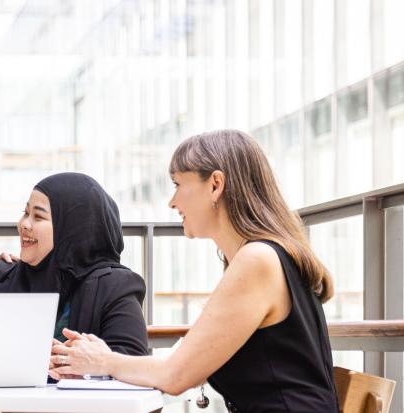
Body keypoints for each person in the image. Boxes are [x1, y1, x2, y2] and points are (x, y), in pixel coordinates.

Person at [50, 130, 338, 412]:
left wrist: (104, 361)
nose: (172, 202)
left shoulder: (257, 260)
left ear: (215, 185)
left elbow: (176, 377)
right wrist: (105, 359)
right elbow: (191, 366)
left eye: (177, 184)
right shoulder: (261, 257)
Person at [0, 172, 148, 356]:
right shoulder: (0, 277)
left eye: (38, 217)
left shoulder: (113, 287)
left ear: (72, 228)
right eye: (26, 213)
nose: (24, 224)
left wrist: (81, 365)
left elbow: (131, 360)